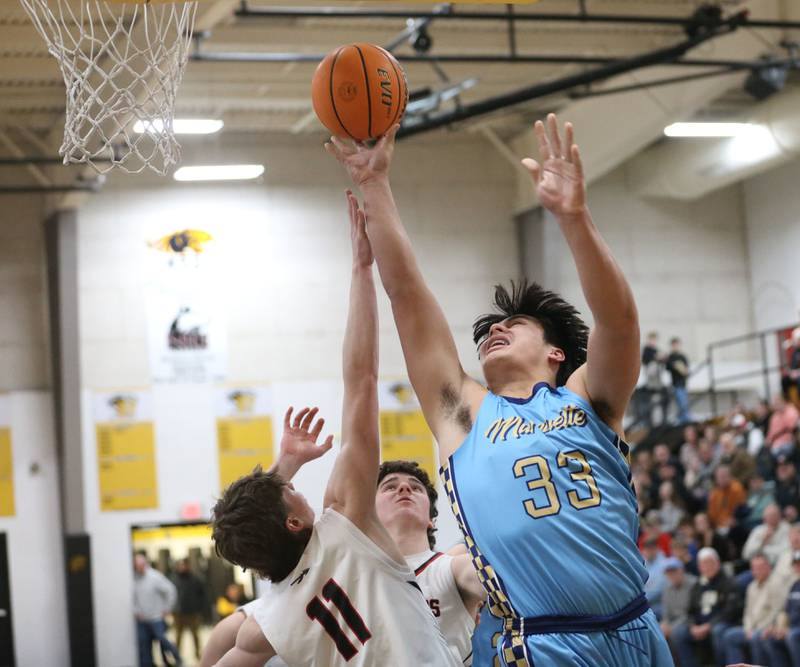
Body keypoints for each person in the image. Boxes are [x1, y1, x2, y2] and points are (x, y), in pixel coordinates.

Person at [326, 114, 672, 665]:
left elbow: (620, 321)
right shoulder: (462, 412)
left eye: (514, 325)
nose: (494, 331)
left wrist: (575, 220)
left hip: (636, 628)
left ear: (557, 352)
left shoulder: (587, 398)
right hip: (543, 641)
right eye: (488, 331)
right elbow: (408, 294)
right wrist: (374, 185)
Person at [208, 193, 459, 667]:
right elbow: (360, 381)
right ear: (295, 521)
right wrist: (361, 270)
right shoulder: (344, 523)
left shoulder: (269, 620)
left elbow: (215, 656)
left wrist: (288, 463)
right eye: (292, 490)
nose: (297, 487)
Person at [201, 459, 485, 667]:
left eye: (415, 487)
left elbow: (495, 580)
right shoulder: (333, 556)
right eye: (390, 487)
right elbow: (224, 635)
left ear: (432, 519)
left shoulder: (449, 566)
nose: (404, 490)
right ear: (366, 510)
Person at [671, 547, 742, 667]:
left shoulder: (729, 582)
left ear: (718, 563)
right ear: (699, 567)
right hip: (699, 625)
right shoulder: (698, 586)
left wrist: (709, 626)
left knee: (718, 631)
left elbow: (730, 611)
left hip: (722, 623)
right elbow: (690, 611)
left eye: (710, 563)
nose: (707, 567)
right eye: (703, 564)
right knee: (679, 633)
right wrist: (692, 625)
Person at [723, 553, 783, 665]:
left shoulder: (776, 584)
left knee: (756, 638)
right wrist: (748, 629)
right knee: (729, 636)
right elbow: (747, 612)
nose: (757, 571)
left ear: (769, 567)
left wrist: (757, 630)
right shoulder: (751, 586)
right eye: (755, 568)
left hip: (767, 628)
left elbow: (777, 611)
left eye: (761, 567)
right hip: (751, 629)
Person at [133, 553, 183, 667]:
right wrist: (136, 611)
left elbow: (171, 590)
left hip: (156, 618)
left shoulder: (155, 577)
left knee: (162, 640)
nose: (139, 567)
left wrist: (167, 608)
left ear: (145, 564)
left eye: (141, 564)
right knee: (144, 645)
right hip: (142, 620)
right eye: (137, 565)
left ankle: (178, 659)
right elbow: (132, 598)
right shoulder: (134, 579)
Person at [660, 557, 696, 662]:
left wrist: (671, 627)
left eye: (674, 571)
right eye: (668, 573)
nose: (672, 575)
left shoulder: (693, 584)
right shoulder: (667, 588)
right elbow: (666, 613)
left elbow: (690, 613)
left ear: (682, 570)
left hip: (689, 621)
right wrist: (664, 624)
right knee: (656, 631)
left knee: (677, 633)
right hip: (674, 622)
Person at [172, 558, 208, 662]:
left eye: (184, 565)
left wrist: (200, 608)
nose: (182, 567)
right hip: (178, 613)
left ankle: (198, 655)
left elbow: (203, 595)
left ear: (188, 566)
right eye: (180, 565)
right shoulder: (174, 579)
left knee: (195, 635)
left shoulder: (196, 579)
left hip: (193, 613)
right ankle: (177, 656)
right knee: (178, 636)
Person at [666, 337, 692, 424]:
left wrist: (682, 369)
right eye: (674, 345)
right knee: (681, 402)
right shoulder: (670, 357)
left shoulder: (682, 356)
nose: (675, 346)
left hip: (683, 383)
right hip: (676, 384)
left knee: (684, 402)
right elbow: (668, 367)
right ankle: (684, 420)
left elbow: (687, 370)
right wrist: (675, 366)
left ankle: (684, 419)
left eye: (677, 344)